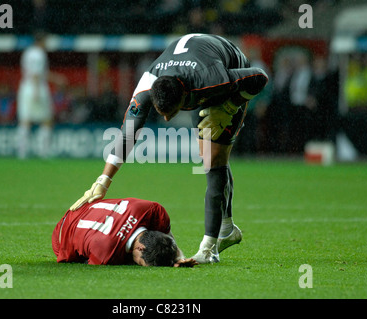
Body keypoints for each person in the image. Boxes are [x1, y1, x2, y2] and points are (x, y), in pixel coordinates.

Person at [70, 34, 268, 263]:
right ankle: (226, 229)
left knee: (213, 160)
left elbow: (260, 77)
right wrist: (103, 180)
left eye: (170, 112)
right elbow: (127, 133)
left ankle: (209, 248)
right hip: (196, 72)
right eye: (160, 111)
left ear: (185, 97)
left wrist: (232, 104)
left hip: (226, 69)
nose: (165, 119)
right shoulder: (147, 83)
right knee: (210, 155)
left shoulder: (215, 79)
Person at [52, 197, 198, 267]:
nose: (138, 264)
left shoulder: (152, 209)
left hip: (85, 206)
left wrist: (179, 257)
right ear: (140, 248)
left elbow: (166, 237)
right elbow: (93, 264)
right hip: (62, 234)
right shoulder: (106, 254)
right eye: (141, 262)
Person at [16, 33, 64, 158]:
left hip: (25, 86)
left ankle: (22, 152)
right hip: (37, 88)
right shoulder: (39, 54)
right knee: (46, 120)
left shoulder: (27, 52)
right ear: (42, 41)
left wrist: (56, 78)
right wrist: (36, 90)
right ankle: (44, 151)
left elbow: (37, 72)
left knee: (25, 120)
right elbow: (37, 73)